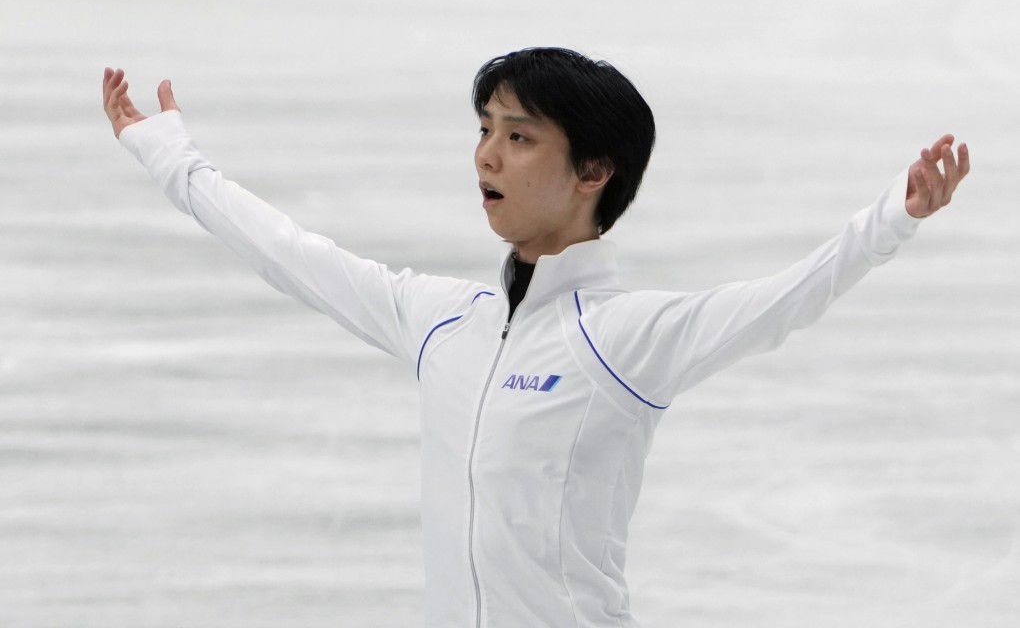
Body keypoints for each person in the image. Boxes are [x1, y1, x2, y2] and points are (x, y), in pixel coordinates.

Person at [102, 48, 970, 628]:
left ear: (594, 172)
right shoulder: (441, 319)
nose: (486, 156)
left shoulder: (625, 339)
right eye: (485, 130)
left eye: (519, 138)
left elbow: (787, 298)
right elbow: (291, 254)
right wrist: (173, 160)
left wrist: (895, 215)